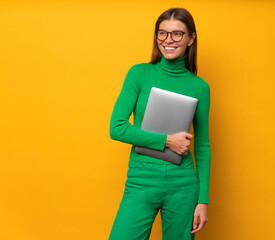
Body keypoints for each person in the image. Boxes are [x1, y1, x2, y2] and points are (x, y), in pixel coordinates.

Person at [108, 7, 211, 240]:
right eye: (162, 33)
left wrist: (202, 199)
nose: (168, 40)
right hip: (141, 179)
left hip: (183, 184)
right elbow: (117, 127)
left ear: (191, 38)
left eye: (177, 34)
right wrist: (167, 141)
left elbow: (203, 145)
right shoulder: (139, 73)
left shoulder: (200, 87)